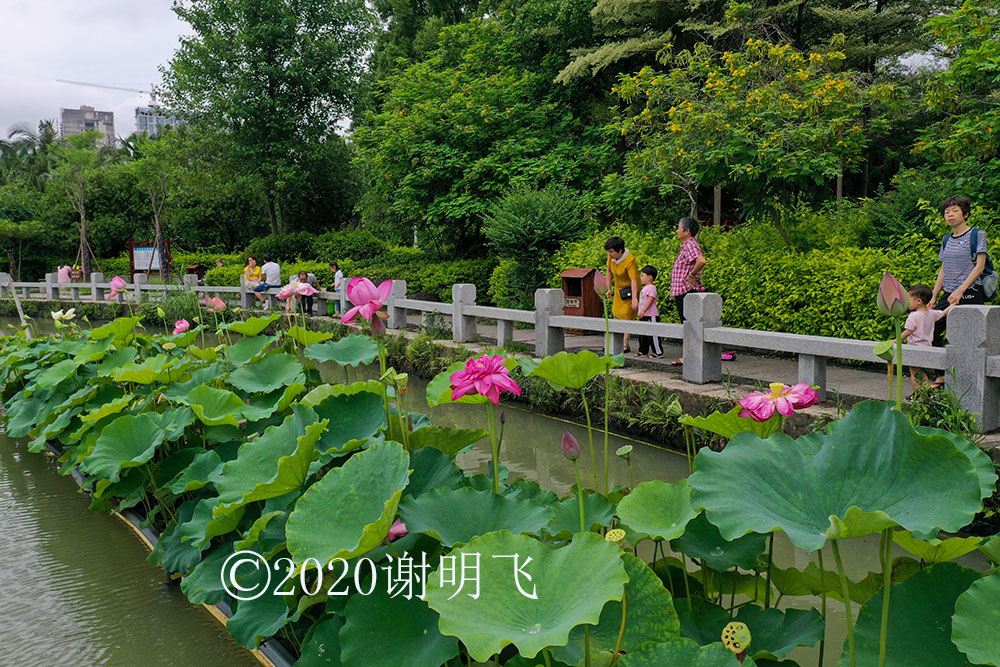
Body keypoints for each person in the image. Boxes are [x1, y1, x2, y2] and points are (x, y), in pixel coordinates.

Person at [931, 196, 987, 384]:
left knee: (968, 336)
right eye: (947, 212)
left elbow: (979, 266)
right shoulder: (947, 239)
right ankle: (941, 376)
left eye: (954, 210)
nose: (950, 215)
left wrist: (961, 290)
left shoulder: (977, 235)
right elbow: (944, 269)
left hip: (970, 292)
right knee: (934, 328)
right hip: (950, 293)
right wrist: (934, 295)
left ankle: (969, 379)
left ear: (965, 214)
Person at [898, 284, 953, 391]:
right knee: (920, 372)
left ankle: (919, 395)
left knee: (914, 373)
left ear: (918, 301)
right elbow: (944, 313)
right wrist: (953, 304)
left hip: (914, 347)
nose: (906, 302)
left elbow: (908, 332)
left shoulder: (913, 316)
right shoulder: (931, 314)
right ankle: (927, 393)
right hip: (927, 347)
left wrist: (896, 340)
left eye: (908, 300)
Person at [669, 217, 707, 367]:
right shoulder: (686, 245)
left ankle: (689, 357)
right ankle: (689, 355)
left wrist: (691, 275)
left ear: (687, 231)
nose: (677, 231)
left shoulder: (690, 244)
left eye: (679, 228)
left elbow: (701, 261)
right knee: (688, 325)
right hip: (683, 291)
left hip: (687, 291)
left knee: (689, 325)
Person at [604, 236, 639, 352]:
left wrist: (634, 298)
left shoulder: (630, 260)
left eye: (611, 252)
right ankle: (615, 341)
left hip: (630, 290)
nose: (609, 254)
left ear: (620, 251)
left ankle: (625, 343)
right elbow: (609, 271)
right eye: (608, 252)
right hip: (619, 289)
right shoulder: (611, 258)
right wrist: (607, 287)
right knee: (616, 313)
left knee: (626, 314)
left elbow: (634, 279)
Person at [635, 265, 663, 358]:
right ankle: (643, 350)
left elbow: (650, 300)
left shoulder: (651, 287)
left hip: (651, 315)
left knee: (653, 334)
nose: (641, 278)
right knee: (642, 334)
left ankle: (658, 352)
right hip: (644, 315)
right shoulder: (645, 288)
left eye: (642, 275)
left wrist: (643, 310)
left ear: (650, 277)